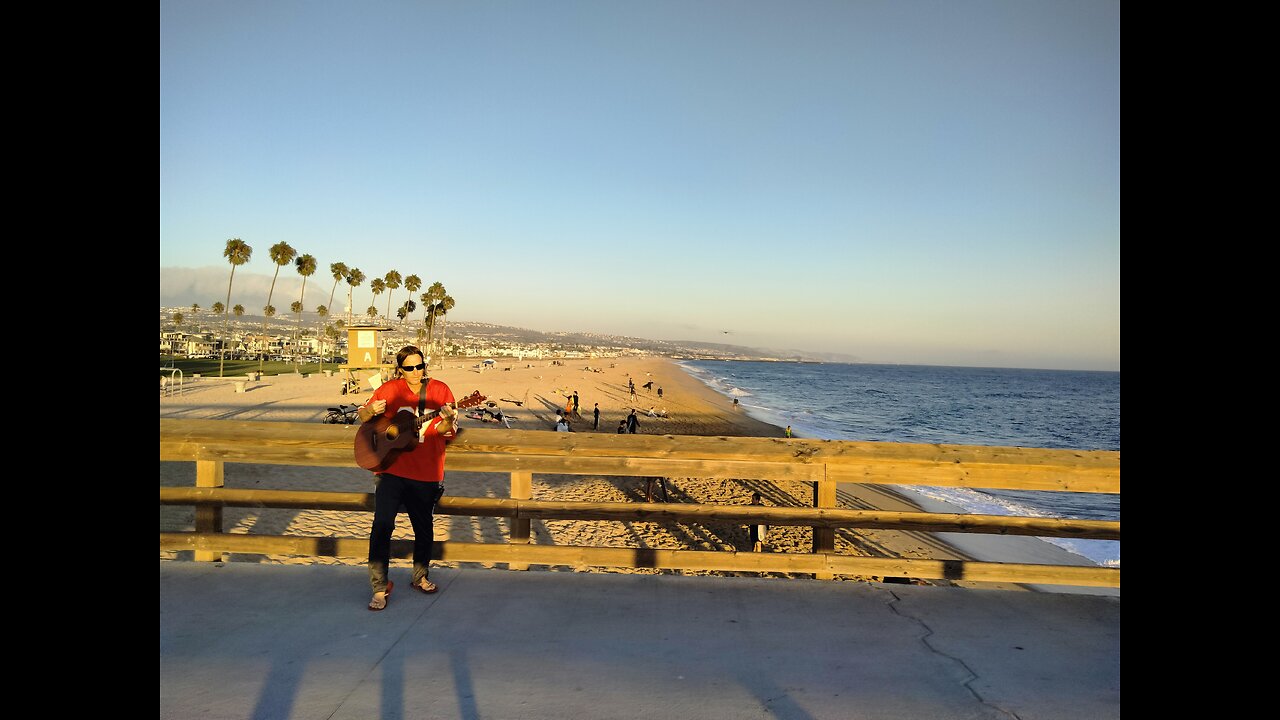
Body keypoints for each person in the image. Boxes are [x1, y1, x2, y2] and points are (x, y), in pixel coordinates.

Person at [358, 345, 457, 611]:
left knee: (423, 528)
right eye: (410, 367)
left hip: (425, 471)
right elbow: (363, 415)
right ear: (400, 369)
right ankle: (379, 588)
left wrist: (447, 420)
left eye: (420, 366)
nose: (416, 372)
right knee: (382, 526)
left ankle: (420, 576)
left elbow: (446, 431)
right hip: (390, 469)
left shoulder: (440, 391)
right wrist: (370, 411)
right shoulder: (389, 389)